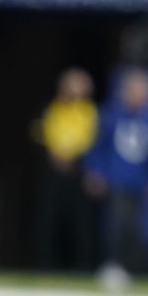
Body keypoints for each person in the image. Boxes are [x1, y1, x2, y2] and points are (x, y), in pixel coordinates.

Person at [84, 69, 148, 292]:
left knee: (133, 227)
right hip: (116, 180)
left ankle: (128, 268)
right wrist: (96, 171)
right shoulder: (112, 115)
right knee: (117, 224)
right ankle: (113, 266)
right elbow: (98, 147)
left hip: (138, 183)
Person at [33, 68, 98, 271]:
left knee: (80, 225)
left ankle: (82, 269)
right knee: (48, 221)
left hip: (78, 173)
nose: (77, 90)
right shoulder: (52, 108)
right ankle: (43, 267)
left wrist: (74, 157)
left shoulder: (89, 111)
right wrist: (53, 153)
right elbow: (40, 134)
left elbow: (91, 139)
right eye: (73, 84)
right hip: (53, 173)